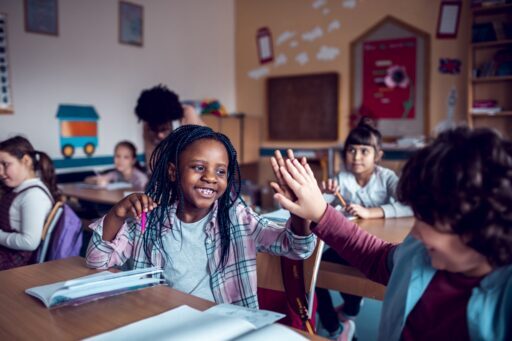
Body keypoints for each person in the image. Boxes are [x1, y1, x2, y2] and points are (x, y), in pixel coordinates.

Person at [271, 127, 512, 340]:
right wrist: (321, 212)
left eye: (428, 220)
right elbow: (377, 256)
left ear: (477, 222)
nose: (415, 233)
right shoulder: (417, 253)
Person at [86, 125, 316, 308]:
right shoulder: (148, 220)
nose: (210, 178)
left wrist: (298, 213)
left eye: (220, 171)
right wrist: (117, 213)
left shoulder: (237, 219)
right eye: (198, 167)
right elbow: (98, 261)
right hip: (162, 323)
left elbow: (297, 248)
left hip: (225, 328)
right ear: (173, 172)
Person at [316, 117, 413, 338]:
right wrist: (325, 193)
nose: (357, 156)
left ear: (377, 155)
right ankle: (334, 327)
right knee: (313, 270)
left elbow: (409, 205)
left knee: (355, 281)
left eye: (364, 151)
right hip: (350, 243)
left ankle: (350, 308)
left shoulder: (387, 177)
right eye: (352, 150)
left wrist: (371, 212)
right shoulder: (342, 178)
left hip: (378, 246)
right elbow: (322, 207)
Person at [0, 136, 60, 270]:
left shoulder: (33, 196)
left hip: (15, 261)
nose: (0, 172)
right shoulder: (18, 189)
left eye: (5, 164)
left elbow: (29, 242)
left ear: (26, 160)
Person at [135, 84, 205, 167]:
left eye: (164, 129)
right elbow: (151, 160)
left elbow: (198, 152)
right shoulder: (147, 124)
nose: (159, 135)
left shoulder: (187, 115)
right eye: (154, 130)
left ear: (171, 119)